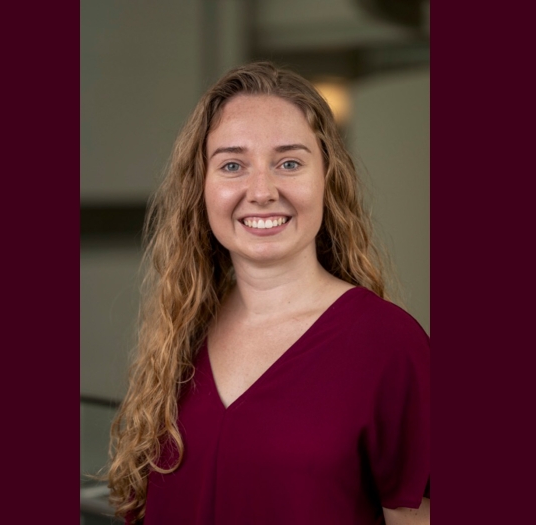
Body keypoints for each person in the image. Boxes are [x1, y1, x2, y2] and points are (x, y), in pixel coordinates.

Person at [107, 62, 430, 525]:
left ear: (328, 179)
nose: (261, 191)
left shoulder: (388, 345)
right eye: (233, 165)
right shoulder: (180, 333)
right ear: (201, 186)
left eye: (289, 163)